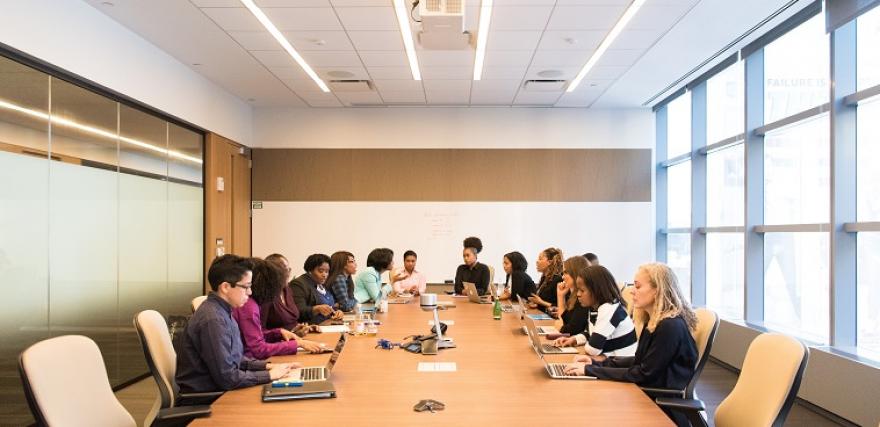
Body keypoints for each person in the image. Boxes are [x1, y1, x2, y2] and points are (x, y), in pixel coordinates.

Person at [563, 262, 697, 393]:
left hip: (655, 399)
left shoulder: (669, 327)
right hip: (645, 391)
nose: (632, 291)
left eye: (638, 287)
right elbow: (639, 362)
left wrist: (590, 370)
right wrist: (594, 364)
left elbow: (643, 374)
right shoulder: (654, 321)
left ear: (657, 290)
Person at [176, 254, 298, 393]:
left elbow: (235, 359)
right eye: (246, 287)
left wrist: (267, 366)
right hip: (209, 397)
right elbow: (228, 378)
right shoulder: (213, 320)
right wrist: (269, 375)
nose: (250, 292)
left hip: (220, 389)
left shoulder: (223, 311)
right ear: (225, 287)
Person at [232, 258, 328, 359]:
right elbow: (258, 349)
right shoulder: (249, 306)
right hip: (251, 361)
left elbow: (256, 334)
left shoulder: (253, 303)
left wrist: (278, 332)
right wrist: (298, 344)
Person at [554, 265, 637, 357]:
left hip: (621, 363)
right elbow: (590, 333)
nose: (578, 294)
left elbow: (593, 349)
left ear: (597, 291)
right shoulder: (595, 308)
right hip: (610, 361)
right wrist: (574, 339)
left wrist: (589, 344)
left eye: (582, 290)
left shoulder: (608, 309)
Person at [263, 253, 315, 335]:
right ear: (272, 271)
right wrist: (287, 334)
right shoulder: (266, 294)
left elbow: (292, 322)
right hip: (278, 341)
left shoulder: (287, 289)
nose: (288, 273)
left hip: (295, 338)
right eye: (284, 269)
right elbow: (260, 331)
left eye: (289, 269)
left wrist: (305, 328)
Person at [291, 254, 344, 324]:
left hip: (328, 324)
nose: (324, 275)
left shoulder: (321, 284)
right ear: (310, 270)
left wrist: (337, 312)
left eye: (327, 271)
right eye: (321, 271)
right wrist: (316, 309)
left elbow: (330, 306)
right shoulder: (298, 284)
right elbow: (298, 311)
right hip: (311, 327)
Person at [555, 256, 591, 335]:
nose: (562, 277)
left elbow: (571, 330)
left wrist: (561, 327)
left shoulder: (585, 297)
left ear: (575, 273)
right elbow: (564, 321)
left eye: (566, 273)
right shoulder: (572, 294)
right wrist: (560, 296)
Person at [528, 247, 564, 313]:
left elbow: (560, 307)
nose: (537, 261)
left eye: (540, 259)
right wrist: (535, 303)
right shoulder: (544, 278)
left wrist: (540, 302)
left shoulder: (558, 279)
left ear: (549, 262)